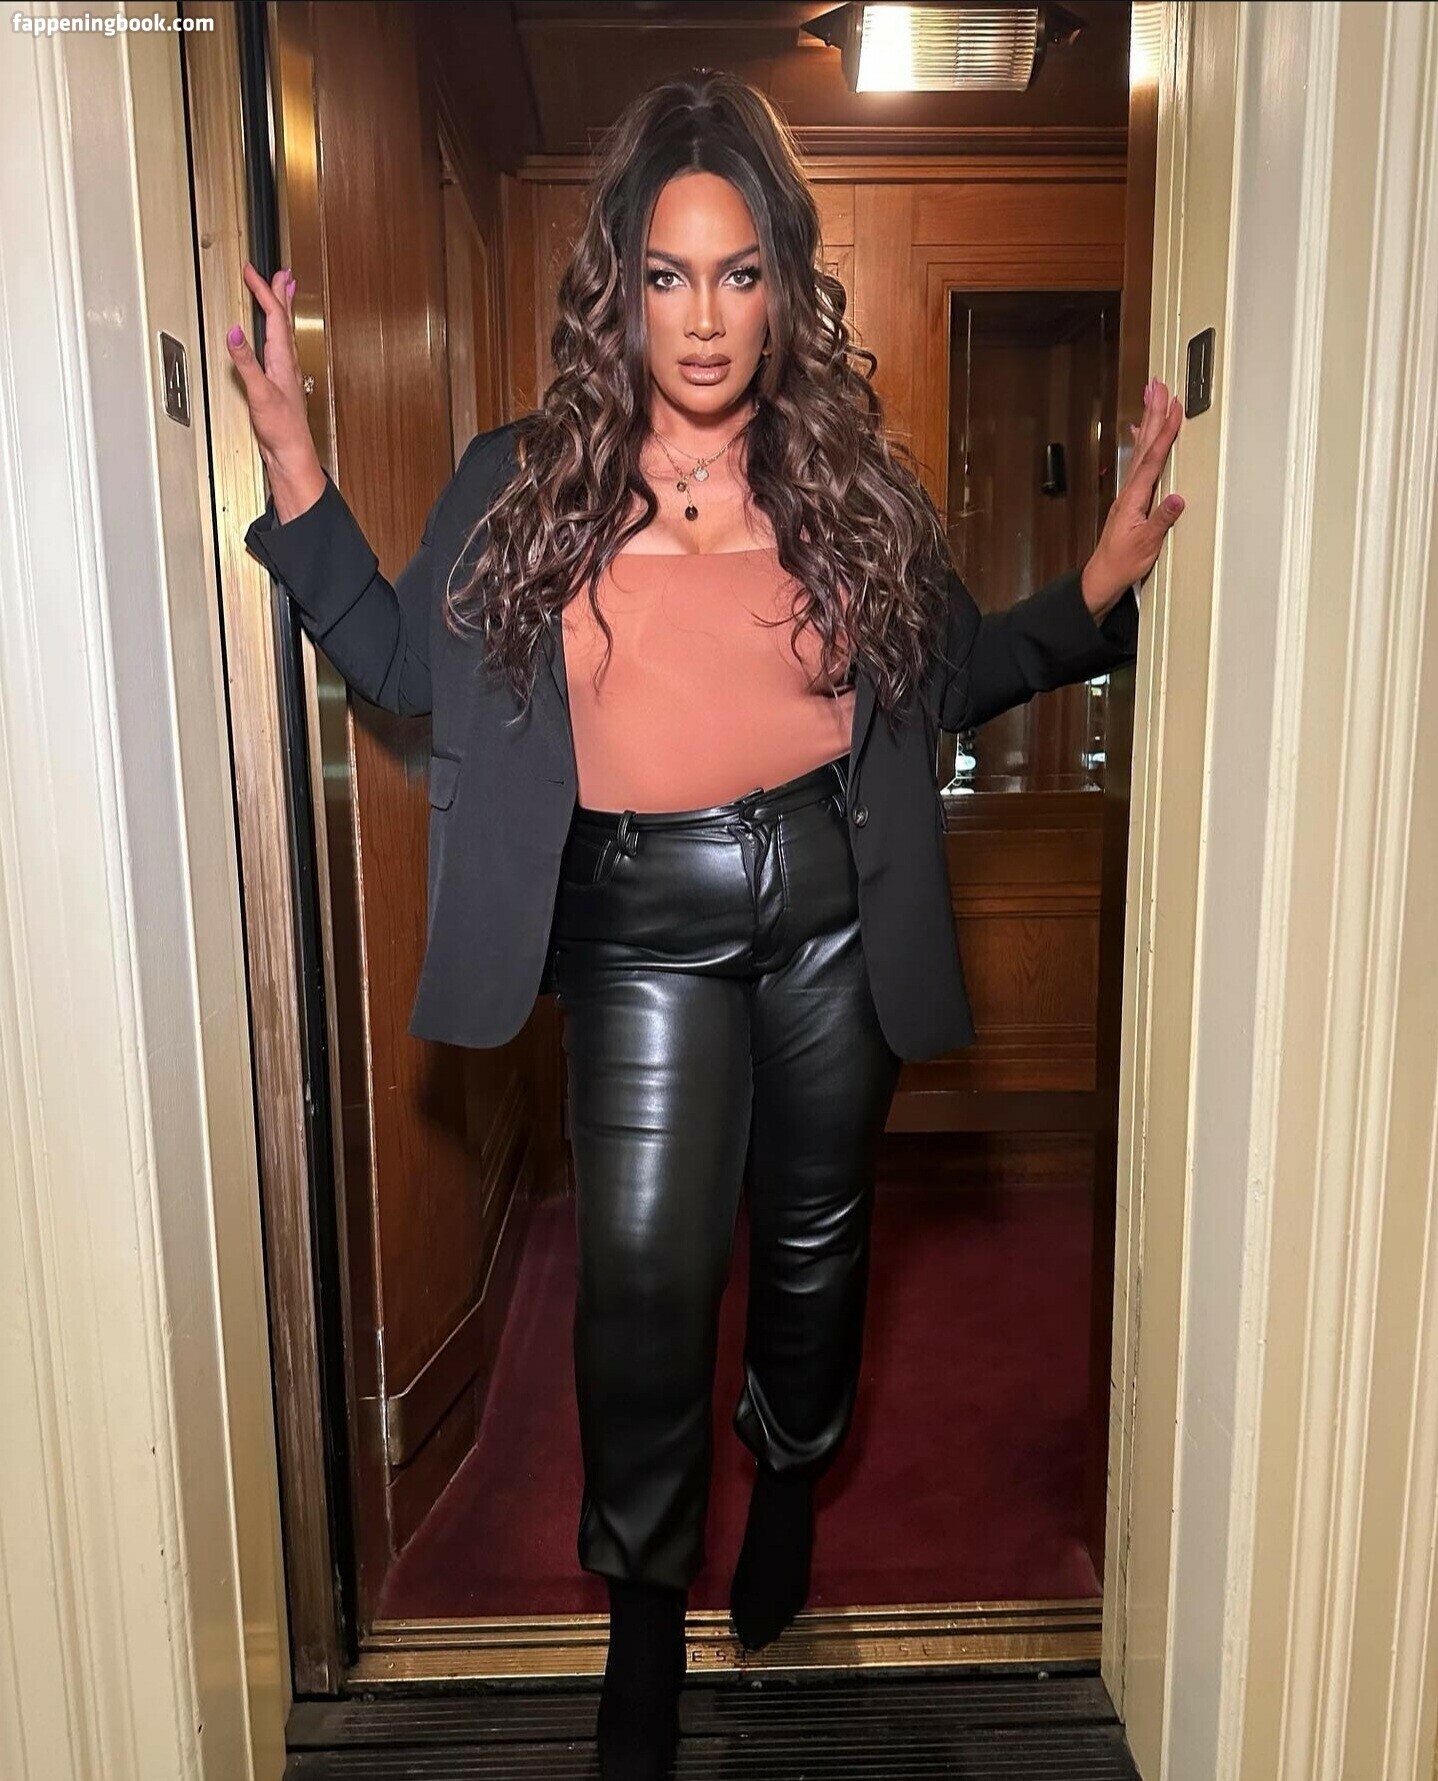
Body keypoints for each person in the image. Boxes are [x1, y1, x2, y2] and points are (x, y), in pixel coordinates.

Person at [229, 68, 1184, 1781]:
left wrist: (1101, 575)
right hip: (637, 935)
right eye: (667, 275)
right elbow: (396, 662)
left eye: (738, 273)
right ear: (618, 284)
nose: (702, 317)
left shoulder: (849, 484)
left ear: (780, 286)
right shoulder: (521, 484)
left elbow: (957, 674)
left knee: (814, 1252)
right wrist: (298, 464)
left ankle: (790, 1482)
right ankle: (643, 1638)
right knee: (644, 1279)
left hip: (831, 920)